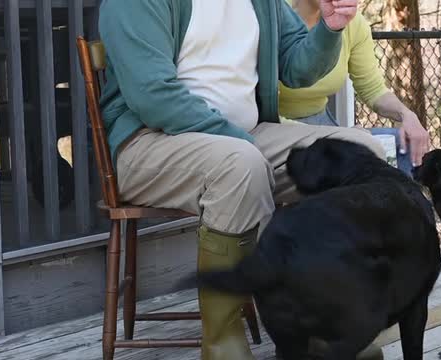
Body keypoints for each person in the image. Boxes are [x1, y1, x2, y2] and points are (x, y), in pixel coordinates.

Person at [98, 1, 387, 360]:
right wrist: (244, 144)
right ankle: (222, 344)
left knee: (360, 153)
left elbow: (298, 68)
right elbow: (152, 95)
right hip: (149, 143)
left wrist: (329, 30)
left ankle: (325, 330)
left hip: (243, 137)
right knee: (241, 164)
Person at [279, 0, 430, 173]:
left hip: (322, 123)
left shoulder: (351, 22)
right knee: (358, 147)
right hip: (275, 125)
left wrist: (406, 114)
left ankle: (404, 200)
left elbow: (373, 89)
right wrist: (340, 137)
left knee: (402, 144)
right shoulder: (271, 13)